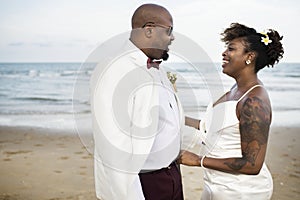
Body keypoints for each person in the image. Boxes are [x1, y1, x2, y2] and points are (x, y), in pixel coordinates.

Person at [91, 4, 187, 200]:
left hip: (172, 176)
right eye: (169, 30)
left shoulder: (156, 69)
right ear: (149, 30)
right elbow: (113, 148)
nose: (173, 37)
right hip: (144, 184)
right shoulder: (115, 69)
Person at [180, 23, 284, 199]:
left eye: (231, 49)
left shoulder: (254, 101)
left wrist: (198, 161)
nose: (224, 53)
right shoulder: (235, 89)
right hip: (215, 185)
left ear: (249, 57)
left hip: (241, 191)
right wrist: (175, 116)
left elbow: (252, 164)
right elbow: (209, 127)